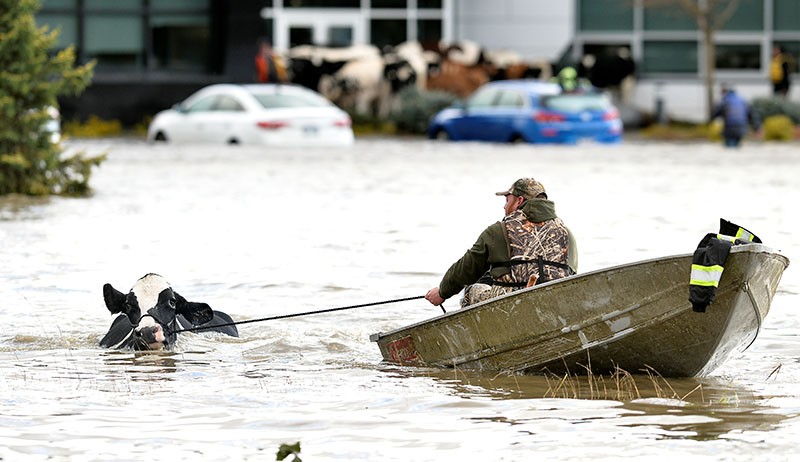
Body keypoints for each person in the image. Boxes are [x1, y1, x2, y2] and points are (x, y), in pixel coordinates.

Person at [425, 178, 578, 309]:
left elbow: (467, 267)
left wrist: (442, 292)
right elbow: (571, 273)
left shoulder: (499, 230)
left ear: (519, 201)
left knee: (473, 289)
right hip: (555, 301)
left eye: (507, 200)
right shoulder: (565, 232)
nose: (504, 206)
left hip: (510, 305)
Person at [711, 84, 760, 148]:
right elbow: (752, 115)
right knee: (736, 144)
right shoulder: (742, 100)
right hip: (742, 128)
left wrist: (712, 120)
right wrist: (756, 128)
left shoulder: (725, 100)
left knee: (729, 145)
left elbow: (716, 113)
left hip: (729, 128)